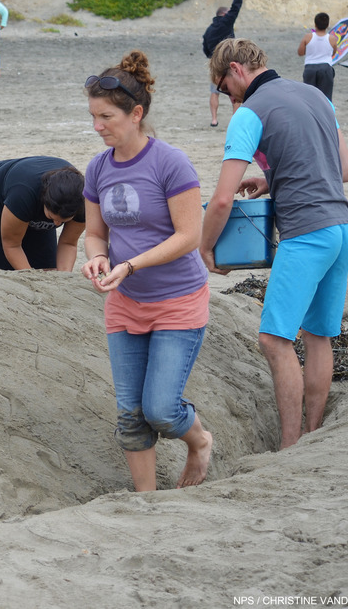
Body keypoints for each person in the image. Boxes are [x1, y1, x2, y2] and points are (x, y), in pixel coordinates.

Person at [201, 38, 348, 450]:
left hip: (305, 233)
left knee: (273, 339)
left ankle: (289, 446)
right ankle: (313, 432)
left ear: (235, 70)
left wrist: (205, 247)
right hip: (341, 228)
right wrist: (271, 179)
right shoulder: (316, 96)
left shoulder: (250, 112)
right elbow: (344, 170)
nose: (226, 96)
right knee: (318, 335)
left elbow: (220, 199)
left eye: (221, 87)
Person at [79, 50, 213, 492]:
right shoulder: (98, 168)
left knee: (160, 409)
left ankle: (200, 442)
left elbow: (189, 237)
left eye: (107, 117)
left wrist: (131, 263)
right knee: (130, 413)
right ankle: (147, 504)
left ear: (136, 114)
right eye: (94, 116)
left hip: (178, 300)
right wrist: (98, 257)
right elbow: (95, 233)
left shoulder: (170, 162)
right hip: (125, 302)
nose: (98, 126)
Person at [0, 156, 85, 271]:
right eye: (51, 217)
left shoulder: (84, 202)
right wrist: (30, 280)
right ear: (44, 200)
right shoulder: (23, 195)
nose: (56, 224)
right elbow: (12, 245)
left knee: (48, 269)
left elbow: (69, 243)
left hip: (26, 200)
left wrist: (63, 279)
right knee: (4, 272)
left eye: (63, 221)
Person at [202, 0, 245, 127]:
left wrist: (212, 58)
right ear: (224, 14)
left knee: (215, 92)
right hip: (229, 63)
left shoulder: (209, 30)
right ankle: (235, 118)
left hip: (214, 64)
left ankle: (214, 119)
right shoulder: (226, 22)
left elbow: (205, 48)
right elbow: (235, 8)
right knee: (236, 94)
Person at [298, 12, 338, 100]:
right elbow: (333, 53)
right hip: (325, 68)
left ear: (315, 24)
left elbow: (300, 52)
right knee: (326, 97)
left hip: (310, 68)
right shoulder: (332, 39)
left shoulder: (307, 37)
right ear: (327, 25)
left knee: (309, 97)